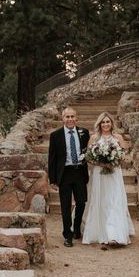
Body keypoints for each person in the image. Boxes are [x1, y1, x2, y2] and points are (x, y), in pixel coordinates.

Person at [82, 112, 135, 247]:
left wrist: (114, 161)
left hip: (114, 173)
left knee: (115, 201)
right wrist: (101, 163)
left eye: (108, 122)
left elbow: (123, 156)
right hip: (99, 173)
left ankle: (115, 235)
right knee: (100, 201)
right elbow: (88, 157)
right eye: (103, 122)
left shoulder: (118, 137)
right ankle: (101, 231)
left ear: (112, 123)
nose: (105, 124)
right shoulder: (94, 138)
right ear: (99, 124)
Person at [48, 106, 90, 247]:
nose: (70, 119)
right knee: (65, 206)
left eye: (72, 117)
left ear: (76, 118)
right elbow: (52, 159)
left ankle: (77, 228)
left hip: (79, 172)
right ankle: (67, 234)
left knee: (81, 202)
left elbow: (89, 151)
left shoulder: (84, 132)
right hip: (64, 174)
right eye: (67, 117)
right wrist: (53, 179)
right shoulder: (56, 135)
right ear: (63, 118)